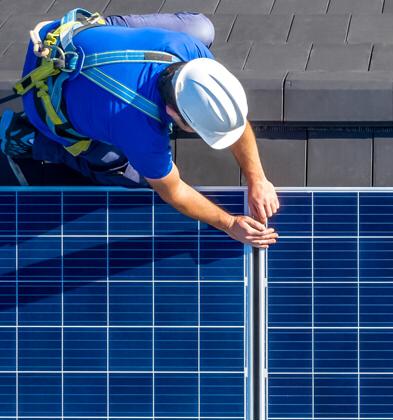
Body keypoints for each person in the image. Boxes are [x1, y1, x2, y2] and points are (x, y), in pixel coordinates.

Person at [0, 10, 279, 248]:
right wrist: (228, 223)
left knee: (202, 27)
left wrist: (258, 179)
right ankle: (28, 138)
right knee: (129, 175)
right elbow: (174, 192)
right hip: (43, 97)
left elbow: (232, 117)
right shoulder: (140, 130)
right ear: (171, 113)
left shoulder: (192, 53)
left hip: (62, 35)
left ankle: (105, 38)